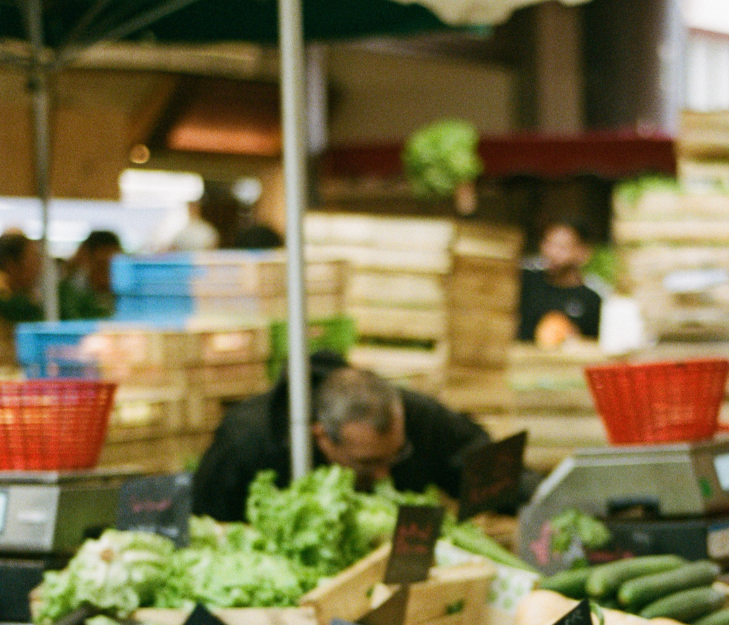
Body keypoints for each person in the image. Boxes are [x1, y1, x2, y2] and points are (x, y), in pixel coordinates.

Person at [192, 353, 490, 522]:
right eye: (367, 463)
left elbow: (477, 458)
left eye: (396, 455)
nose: (384, 473)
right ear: (322, 437)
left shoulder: (416, 414)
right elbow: (207, 522)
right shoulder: (247, 441)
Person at [516, 220, 606, 345]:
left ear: (583, 252)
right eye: (548, 243)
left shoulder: (591, 300)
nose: (552, 252)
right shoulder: (526, 282)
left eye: (562, 247)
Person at [58, 229, 120, 319]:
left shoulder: (125, 294)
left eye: (113, 268)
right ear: (87, 259)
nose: (107, 273)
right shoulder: (69, 294)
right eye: (101, 266)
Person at [0, 231, 44, 321]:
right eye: (33, 261)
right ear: (11, 265)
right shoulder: (9, 303)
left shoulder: (21, 295)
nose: (38, 269)